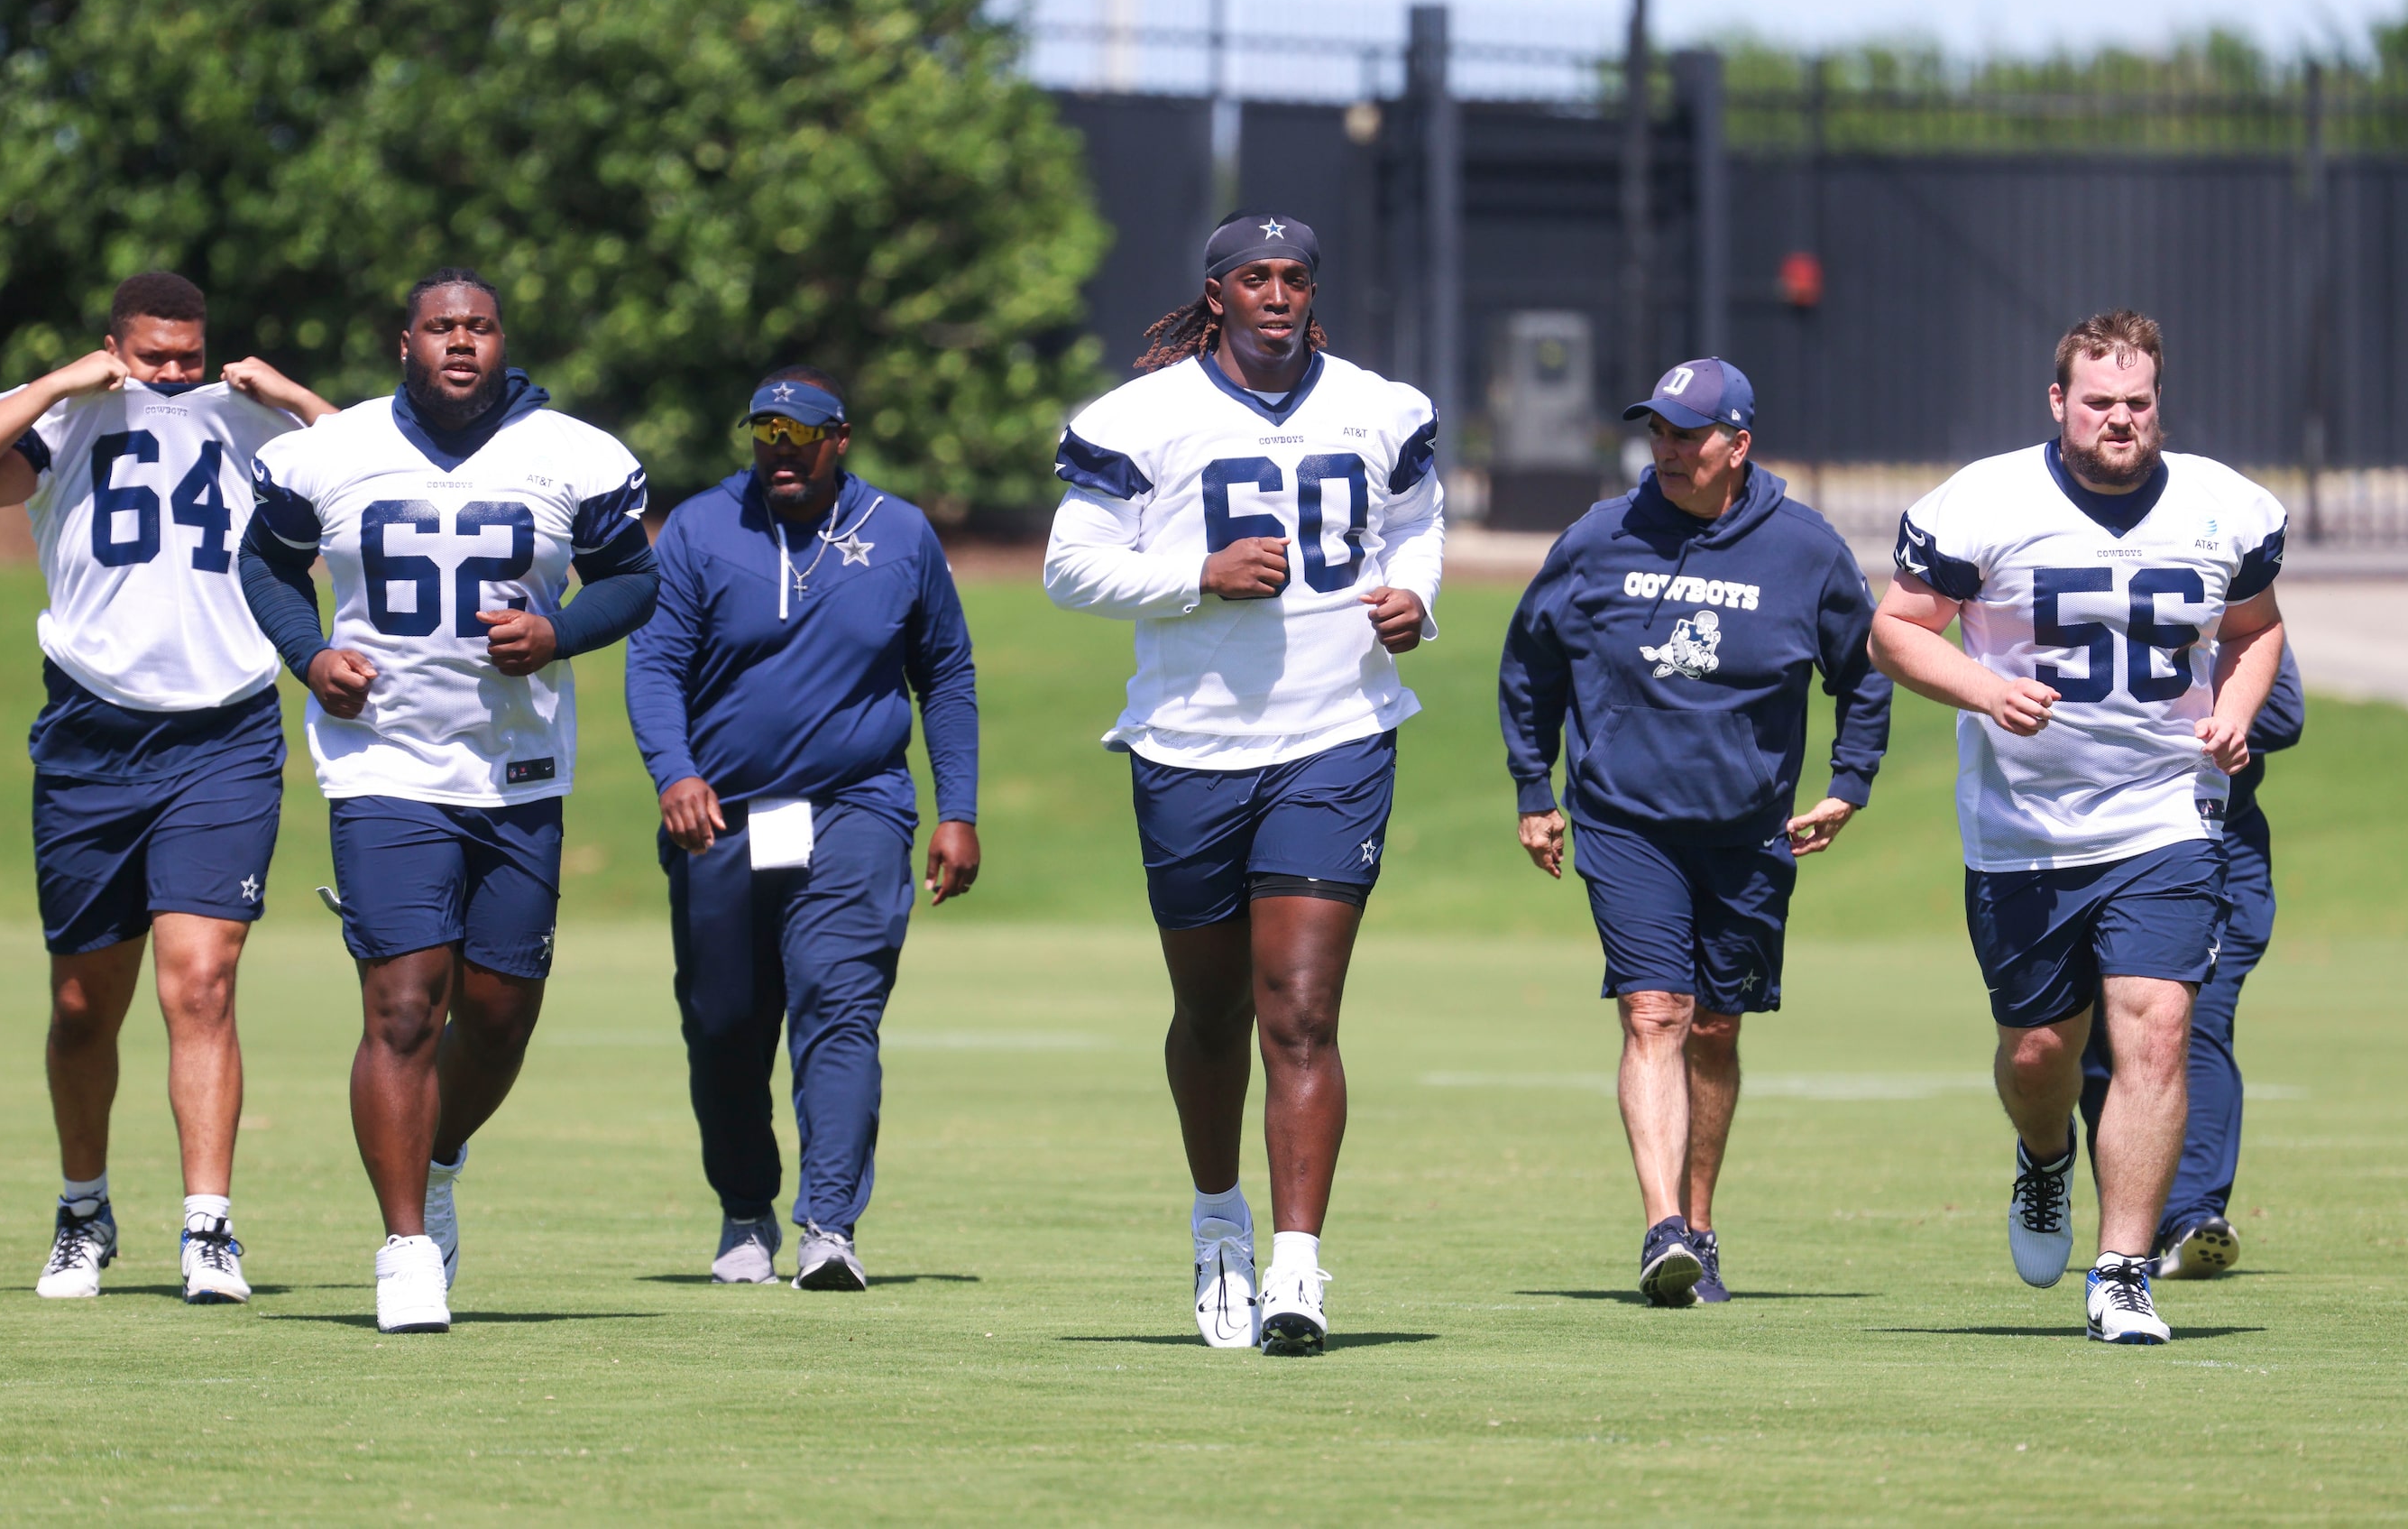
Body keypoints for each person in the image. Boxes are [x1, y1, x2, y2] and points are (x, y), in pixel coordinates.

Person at [1043, 211, 1443, 1355]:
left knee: (1301, 1013)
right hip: (1187, 742)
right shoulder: (1140, 417)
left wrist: (1416, 595)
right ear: (1214, 293)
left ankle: (1296, 1272)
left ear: (1314, 291)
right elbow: (1069, 566)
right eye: (1254, 277)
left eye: (1295, 276)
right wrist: (1194, 576)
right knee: (1211, 1011)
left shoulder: (1382, 406)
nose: (1277, 294)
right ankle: (1217, 1218)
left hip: (1338, 731)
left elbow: (1417, 523)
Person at [236, 268, 658, 1334]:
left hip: (516, 770)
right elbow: (268, 564)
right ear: (404, 343)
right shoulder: (325, 452)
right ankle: (404, 1247)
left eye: (477, 327)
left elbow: (633, 579)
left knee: (502, 1016)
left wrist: (560, 632)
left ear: (499, 340)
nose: (460, 343)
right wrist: (310, 654)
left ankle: (437, 1160)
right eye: (440, 328)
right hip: (381, 763)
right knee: (403, 1004)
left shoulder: (575, 453)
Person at [0, 271, 334, 1304]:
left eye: (188, 355)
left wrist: (288, 395)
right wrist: (64, 380)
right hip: (92, 733)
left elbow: (385, 475)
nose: (173, 374)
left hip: (224, 730)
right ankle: (83, 1211)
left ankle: (208, 1229)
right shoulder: (66, 417)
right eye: (153, 356)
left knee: (201, 983)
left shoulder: (255, 424)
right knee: (80, 1006)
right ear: (115, 344)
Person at [1870, 309, 2285, 1346]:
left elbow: (2254, 627)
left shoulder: (2222, 506)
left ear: (2157, 403)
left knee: (2155, 1025)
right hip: (2023, 828)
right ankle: (2045, 1159)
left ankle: (2122, 1272)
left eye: (2135, 403)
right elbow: (1892, 632)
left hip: (2165, 817)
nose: (2118, 420)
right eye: (2097, 402)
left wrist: (2231, 714)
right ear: (2057, 402)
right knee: (2035, 1054)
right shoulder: (1983, 502)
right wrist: (1980, 689)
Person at [1499, 357, 1892, 1306]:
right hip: (1624, 821)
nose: (1668, 450)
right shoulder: (1599, 538)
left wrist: (1848, 782)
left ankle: (1700, 1225)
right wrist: (1533, 790)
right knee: (1655, 1015)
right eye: (1657, 433)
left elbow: (1866, 669)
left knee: (1713, 1029)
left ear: (1737, 445)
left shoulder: (1803, 549)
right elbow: (1529, 665)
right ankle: (1658, 1228)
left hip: (1748, 831)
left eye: (1688, 434)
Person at [624, 369, 979, 1293]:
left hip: (854, 805)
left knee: (838, 1002)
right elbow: (655, 663)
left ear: (841, 438)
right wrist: (676, 773)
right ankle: (746, 1211)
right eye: (765, 437)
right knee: (724, 1024)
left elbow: (945, 674)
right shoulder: (702, 529)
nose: (781, 454)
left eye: (801, 437)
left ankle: (829, 1225)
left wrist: (957, 810)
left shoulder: (899, 534)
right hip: (723, 822)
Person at [2080, 644, 2302, 1278]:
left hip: (2214, 842)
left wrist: (2163, 728)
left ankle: (2194, 1216)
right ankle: (2136, 1221)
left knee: (2189, 1027)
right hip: (2084, 844)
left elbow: (2283, 712)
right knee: (2099, 1045)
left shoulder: (2221, 588)